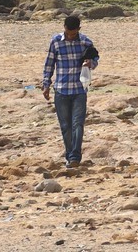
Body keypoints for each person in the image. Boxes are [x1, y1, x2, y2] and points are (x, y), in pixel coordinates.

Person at [41, 14, 96, 169]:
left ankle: (74, 157)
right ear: (64, 28)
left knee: (78, 124)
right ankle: (69, 154)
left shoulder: (85, 42)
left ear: (79, 29)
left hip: (79, 89)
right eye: (69, 33)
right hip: (61, 90)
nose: (71, 36)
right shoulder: (56, 42)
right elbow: (49, 64)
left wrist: (90, 62)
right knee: (65, 125)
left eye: (74, 33)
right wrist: (46, 84)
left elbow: (95, 59)